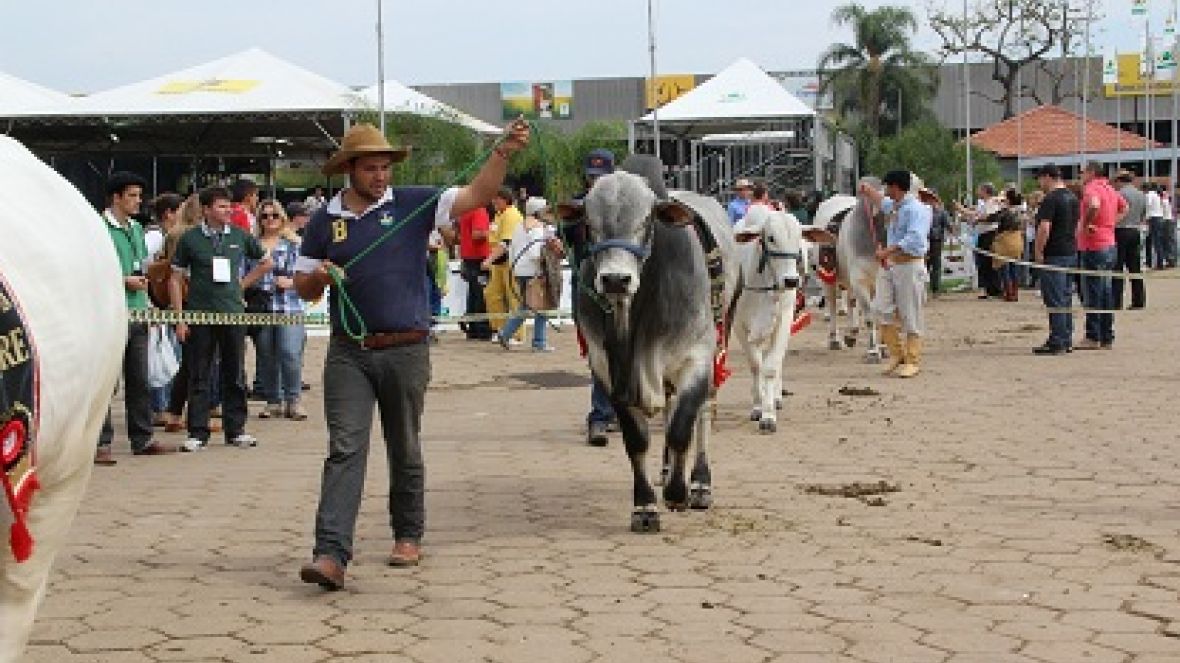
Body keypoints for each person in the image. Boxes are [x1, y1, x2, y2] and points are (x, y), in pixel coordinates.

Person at [292, 119, 530, 589]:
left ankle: (408, 533)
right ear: (350, 170)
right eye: (371, 169)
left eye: (385, 167)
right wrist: (320, 276)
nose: (381, 177)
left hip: (406, 349)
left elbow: (477, 195)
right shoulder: (324, 222)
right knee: (345, 447)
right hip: (349, 352)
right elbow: (302, 287)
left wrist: (501, 154)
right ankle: (331, 553)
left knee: (404, 444)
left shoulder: (413, 202)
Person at [170, 186, 269, 452]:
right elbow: (175, 278)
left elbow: (266, 262)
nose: (228, 211)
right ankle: (197, 431)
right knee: (199, 373)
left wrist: (242, 285)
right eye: (221, 206)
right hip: (200, 314)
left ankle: (236, 429)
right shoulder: (190, 239)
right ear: (206, 210)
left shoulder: (240, 236)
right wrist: (180, 318)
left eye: (229, 206)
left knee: (234, 372)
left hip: (234, 313)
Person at [95, 172, 174, 465]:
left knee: (139, 379)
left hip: (139, 312)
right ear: (116, 197)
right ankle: (101, 442)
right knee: (106, 381)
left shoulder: (138, 230)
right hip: (109, 314)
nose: (138, 201)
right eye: (132, 196)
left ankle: (142, 437)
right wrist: (122, 280)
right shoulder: (99, 228)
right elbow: (92, 270)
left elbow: (143, 266)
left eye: (139, 196)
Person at [560, 148, 618, 446]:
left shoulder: (624, 207)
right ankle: (599, 416)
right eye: (592, 177)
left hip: (622, 287)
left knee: (625, 349)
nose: (596, 183)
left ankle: (618, 410)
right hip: (588, 286)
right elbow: (563, 234)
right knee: (599, 351)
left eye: (602, 177)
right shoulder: (577, 206)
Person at [243, 200, 306, 421]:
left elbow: (307, 275)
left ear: (282, 218)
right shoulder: (251, 244)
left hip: (290, 306)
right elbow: (243, 275)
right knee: (266, 355)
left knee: (290, 352)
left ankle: (294, 398)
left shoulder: (295, 244)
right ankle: (273, 400)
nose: (270, 220)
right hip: (261, 306)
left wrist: (291, 283)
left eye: (274, 216)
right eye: (265, 216)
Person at [863, 170, 931, 379]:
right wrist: (867, 191)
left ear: (896, 187)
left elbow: (915, 239)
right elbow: (882, 202)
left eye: (888, 187)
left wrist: (887, 251)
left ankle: (912, 359)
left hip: (910, 265)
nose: (886, 192)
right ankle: (896, 353)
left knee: (911, 313)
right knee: (880, 308)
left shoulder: (916, 210)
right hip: (890, 266)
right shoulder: (895, 205)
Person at [1031, 164, 1079, 355]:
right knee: (1065, 296)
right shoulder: (1072, 197)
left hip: (1055, 253)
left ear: (1048, 177)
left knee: (1055, 298)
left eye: (1040, 179)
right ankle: (1066, 336)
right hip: (1069, 250)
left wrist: (1038, 252)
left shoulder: (1051, 199)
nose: (1039, 183)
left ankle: (1058, 339)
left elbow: (1044, 228)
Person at [1076, 161, 1124, 350]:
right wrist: (1111, 223)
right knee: (1105, 291)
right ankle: (1106, 335)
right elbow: (1124, 207)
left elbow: (1094, 205)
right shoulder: (1110, 189)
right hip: (1109, 243)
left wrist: (1085, 223)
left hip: (1094, 245)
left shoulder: (1092, 188)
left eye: (1082, 172)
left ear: (1091, 172)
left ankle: (1093, 335)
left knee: (1092, 292)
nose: (1081, 176)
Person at [496, 196, 553, 352]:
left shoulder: (519, 226)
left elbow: (512, 250)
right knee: (541, 307)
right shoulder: (537, 228)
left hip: (519, 270)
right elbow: (535, 253)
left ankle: (506, 333)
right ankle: (539, 342)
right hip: (533, 271)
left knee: (526, 306)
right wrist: (543, 264)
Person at [483, 188, 524, 344]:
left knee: (513, 296)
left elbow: (505, 243)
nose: (494, 202)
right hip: (498, 263)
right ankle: (500, 329)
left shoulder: (511, 215)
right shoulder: (499, 216)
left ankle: (516, 334)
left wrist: (488, 259)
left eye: (497, 199)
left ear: (505, 199)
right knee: (492, 295)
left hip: (510, 261)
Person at [456, 205, 494, 340]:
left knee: (473, 293)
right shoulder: (479, 211)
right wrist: (491, 231)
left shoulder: (465, 211)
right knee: (482, 294)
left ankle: (472, 327)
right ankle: (482, 329)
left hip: (468, 256)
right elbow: (477, 234)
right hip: (480, 257)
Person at [1113, 171, 1146, 309]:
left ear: (1120, 181)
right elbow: (1143, 213)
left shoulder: (1119, 194)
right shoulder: (1140, 194)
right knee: (1135, 267)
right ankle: (1138, 300)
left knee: (1117, 267)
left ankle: (1116, 301)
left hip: (1121, 230)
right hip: (1135, 230)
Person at [993, 189, 1025, 302]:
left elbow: (990, 218)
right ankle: (1015, 293)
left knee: (1004, 267)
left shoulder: (1005, 212)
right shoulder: (1020, 211)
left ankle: (1009, 292)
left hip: (1005, 241)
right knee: (1014, 267)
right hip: (1017, 240)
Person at [919, 187, 950, 296]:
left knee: (936, 264)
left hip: (936, 240)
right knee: (923, 264)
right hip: (924, 240)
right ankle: (922, 288)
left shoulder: (941, 212)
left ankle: (935, 289)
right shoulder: (921, 210)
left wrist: (951, 230)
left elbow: (948, 224)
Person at [1145, 181, 1166, 270]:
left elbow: (1147, 206)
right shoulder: (1157, 195)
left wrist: (1145, 217)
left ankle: (1151, 262)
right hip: (1160, 217)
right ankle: (1160, 262)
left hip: (1153, 218)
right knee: (1158, 241)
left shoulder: (1149, 195)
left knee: (1152, 241)